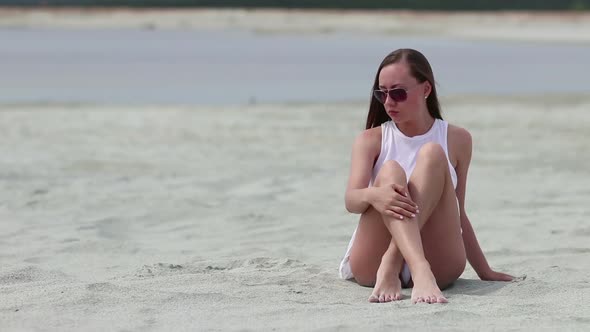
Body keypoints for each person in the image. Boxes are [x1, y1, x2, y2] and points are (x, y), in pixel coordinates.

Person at [339, 48, 514, 304]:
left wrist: (484, 271)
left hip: (438, 261)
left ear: (425, 90)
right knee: (390, 171)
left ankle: (398, 260)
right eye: (382, 93)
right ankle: (415, 268)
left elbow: (458, 210)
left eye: (398, 93)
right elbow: (351, 201)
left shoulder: (457, 139)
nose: (388, 102)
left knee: (432, 154)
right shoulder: (371, 140)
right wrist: (375, 195)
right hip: (372, 263)